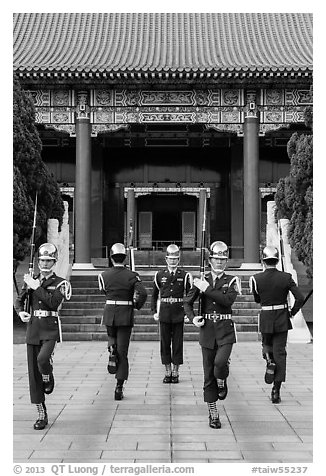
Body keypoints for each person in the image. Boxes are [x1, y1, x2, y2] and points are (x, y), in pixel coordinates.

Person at [184, 241, 241, 429]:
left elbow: (226, 301)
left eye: (223, 260)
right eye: (216, 259)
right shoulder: (201, 279)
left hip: (225, 330)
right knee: (208, 375)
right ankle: (213, 413)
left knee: (219, 364)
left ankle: (222, 377)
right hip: (207, 331)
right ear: (210, 260)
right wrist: (193, 318)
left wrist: (206, 288)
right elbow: (187, 303)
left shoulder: (232, 281)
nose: (220, 263)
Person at [15, 243, 71, 430]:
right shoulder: (31, 280)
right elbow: (19, 299)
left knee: (43, 359)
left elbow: (53, 303)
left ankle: (48, 375)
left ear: (54, 262)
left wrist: (37, 286)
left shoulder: (61, 283)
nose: (45, 263)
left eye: (48, 260)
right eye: (42, 260)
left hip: (50, 328)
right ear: (38, 261)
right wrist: (20, 311)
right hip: (33, 328)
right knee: (33, 374)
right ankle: (41, 412)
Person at [249, 245, 304, 404]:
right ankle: (276, 390)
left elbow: (257, 299)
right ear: (278, 260)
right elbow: (299, 298)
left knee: (266, 345)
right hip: (282, 318)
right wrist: (292, 312)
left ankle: (269, 360)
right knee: (280, 352)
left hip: (266, 316)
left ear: (263, 260)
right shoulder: (286, 277)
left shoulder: (256, 278)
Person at [98, 243, 147, 400]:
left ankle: (111, 349)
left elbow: (103, 291)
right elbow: (143, 293)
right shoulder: (132, 275)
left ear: (111, 259)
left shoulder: (103, 275)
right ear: (125, 258)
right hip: (125, 314)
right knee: (123, 352)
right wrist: (136, 305)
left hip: (110, 313)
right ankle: (119, 386)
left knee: (112, 339)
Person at [151, 244, 193, 384]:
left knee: (177, 343)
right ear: (166, 259)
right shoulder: (160, 275)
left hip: (178, 312)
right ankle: (167, 370)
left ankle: (176, 371)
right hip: (164, 311)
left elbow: (190, 296)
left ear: (179, 259)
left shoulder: (185, 275)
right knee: (164, 343)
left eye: (175, 259)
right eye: (170, 258)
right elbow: (154, 295)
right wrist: (154, 311)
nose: (173, 261)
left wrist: (189, 313)